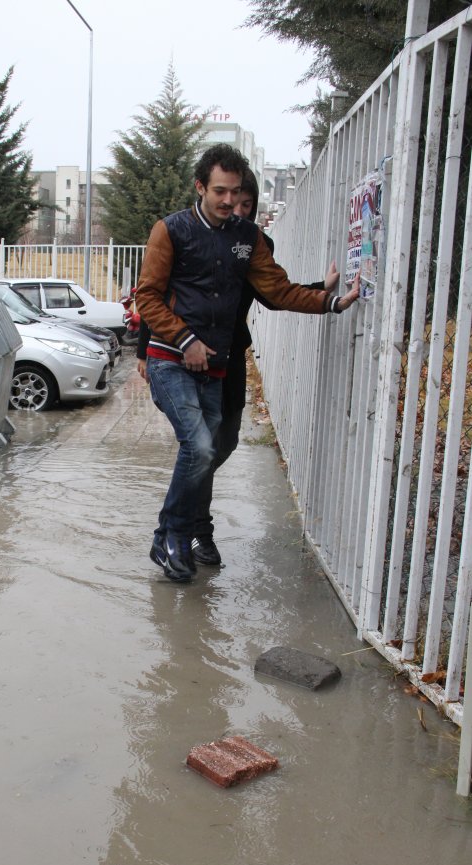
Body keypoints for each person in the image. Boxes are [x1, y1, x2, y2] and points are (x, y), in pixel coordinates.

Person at [136, 143, 359, 583]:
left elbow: (277, 291)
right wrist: (184, 339)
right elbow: (146, 297)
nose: (228, 201)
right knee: (199, 446)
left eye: (235, 192)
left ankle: (174, 535)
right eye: (219, 191)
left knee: (213, 448)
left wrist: (330, 301)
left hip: (217, 366)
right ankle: (173, 535)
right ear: (200, 186)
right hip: (170, 359)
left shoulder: (247, 237)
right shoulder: (171, 230)